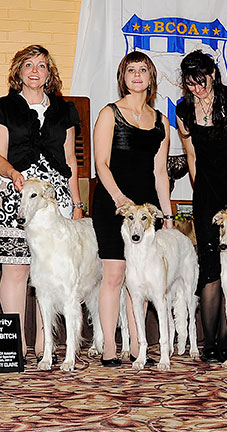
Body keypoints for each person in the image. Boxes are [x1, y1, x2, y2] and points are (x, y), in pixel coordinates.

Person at [176, 50, 227, 363]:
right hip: (207, 195)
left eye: (201, 81)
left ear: (213, 73)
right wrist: (203, 194)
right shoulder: (183, 110)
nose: (197, 88)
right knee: (210, 267)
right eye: (190, 83)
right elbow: (192, 157)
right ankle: (210, 341)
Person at [0, 44, 83, 362]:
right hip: (14, 195)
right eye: (28, 64)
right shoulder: (4, 108)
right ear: (18, 71)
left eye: (42, 65)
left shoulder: (65, 111)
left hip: (56, 201)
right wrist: (11, 173)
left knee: (51, 273)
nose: (35, 69)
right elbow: (0, 155)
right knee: (16, 270)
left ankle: (44, 345)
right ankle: (14, 346)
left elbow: (70, 160)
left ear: (50, 74)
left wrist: (76, 204)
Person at [92, 51, 172, 367]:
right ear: (122, 78)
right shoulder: (109, 114)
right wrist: (119, 199)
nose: (137, 75)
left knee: (138, 279)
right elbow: (101, 164)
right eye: (130, 70)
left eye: (142, 70)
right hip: (113, 205)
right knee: (115, 275)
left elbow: (161, 173)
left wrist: (166, 216)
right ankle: (110, 347)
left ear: (151, 78)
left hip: (146, 214)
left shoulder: (162, 122)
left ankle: (139, 347)